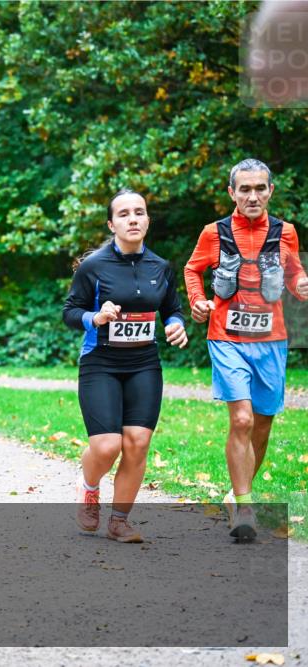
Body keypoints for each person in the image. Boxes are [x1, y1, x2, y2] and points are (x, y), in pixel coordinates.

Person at [184, 158, 308, 541]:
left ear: (270, 191)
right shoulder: (213, 233)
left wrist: (301, 282)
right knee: (241, 419)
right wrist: (198, 301)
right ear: (231, 193)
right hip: (227, 336)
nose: (252, 196)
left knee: (263, 421)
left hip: (271, 339)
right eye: (245, 189)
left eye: (259, 188)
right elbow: (193, 269)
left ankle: (234, 495)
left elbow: (291, 275)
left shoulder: (285, 232)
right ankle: (245, 507)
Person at [63, 189, 189, 543]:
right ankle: (89, 487)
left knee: (136, 443)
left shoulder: (160, 267)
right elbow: (70, 313)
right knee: (107, 446)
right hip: (100, 363)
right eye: (124, 214)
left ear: (148, 220)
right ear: (112, 223)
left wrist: (175, 324)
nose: (133, 219)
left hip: (144, 364)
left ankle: (119, 521)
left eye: (139, 212)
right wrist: (95, 316)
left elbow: (172, 309)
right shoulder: (94, 267)